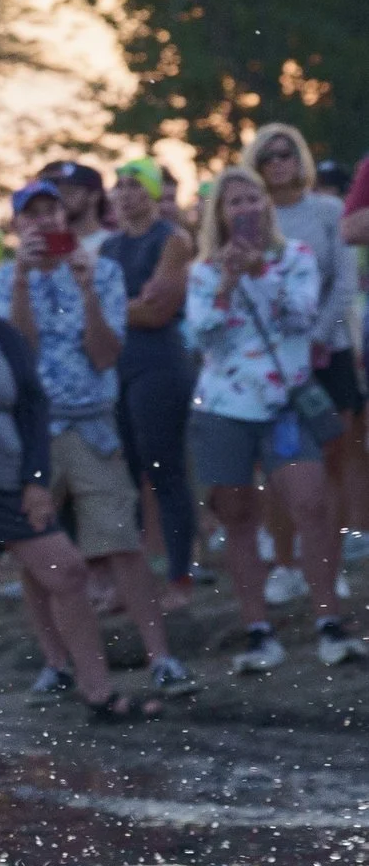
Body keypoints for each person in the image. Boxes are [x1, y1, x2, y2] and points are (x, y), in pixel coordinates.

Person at [0, 238, 171, 746]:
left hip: (5, 479)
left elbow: (33, 411)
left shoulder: (4, 335)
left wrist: (37, 480)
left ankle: (98, 692)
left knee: (67, 570)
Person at [0, 176, 181, 697]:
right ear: (17, 224)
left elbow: (105, 354)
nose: (44, 221)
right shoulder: (2, 280)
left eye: (52, 211)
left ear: (65, 218)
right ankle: (56, 662)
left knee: (121, 541)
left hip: (93, 425)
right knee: (37, 548)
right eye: (33, 213)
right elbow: (18, 355)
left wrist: (88, 288)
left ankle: (161, 656)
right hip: (30, 432)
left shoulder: (104, 271)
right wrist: (25, 279)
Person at [184, 165, 367, 672]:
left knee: (311, 503)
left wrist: (260, 273)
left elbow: (301, 316)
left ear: (267, 206)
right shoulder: (202, 270)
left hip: (283, 404)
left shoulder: (295, 258)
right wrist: (226, 282)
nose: (246, 209)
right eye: (234, 202)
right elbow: (202, 335)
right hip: (224, 408)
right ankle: (258, 630)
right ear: (220, 214)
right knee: (239, 517)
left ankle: (329, 619)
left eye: (253, 199)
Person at [251, 123, 365, 569]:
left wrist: (318, 336)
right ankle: (285, 564)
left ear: (301, 159)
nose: (278, 163)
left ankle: (329, 564)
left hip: (327, 349)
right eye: (268, 157)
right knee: (279, 466)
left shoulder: (328, 210)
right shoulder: (250, 215)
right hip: (272, 358)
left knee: (333, 458)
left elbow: (344, 282)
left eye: (286, 154)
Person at [105, 158, 200, 601]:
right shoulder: (108, 248)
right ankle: (136, 583)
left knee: (165, 469)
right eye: (119, 185)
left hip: (160, 363)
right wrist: (126, 307)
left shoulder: (172, 239)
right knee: (125, 477)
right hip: (118, 368)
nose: (126, 193)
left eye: (136, 184)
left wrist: (112, 308)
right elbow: (106, 310)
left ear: (153, 191)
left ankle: (180, 576)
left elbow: (157, 310)